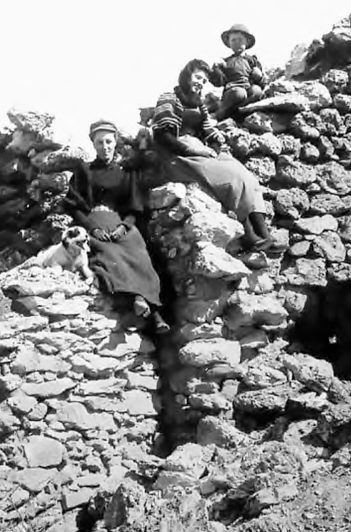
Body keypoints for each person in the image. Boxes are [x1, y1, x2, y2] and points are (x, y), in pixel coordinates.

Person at [150, 59, 282, 252]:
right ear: (186, 76)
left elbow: (208, 131)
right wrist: (194, 150)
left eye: (204, 81)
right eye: (197, 77)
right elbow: (163, 136)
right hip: (177, 155)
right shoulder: (170, 97)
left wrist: (213, 146)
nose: (200, 83)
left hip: (199, 149)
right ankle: (249, 236)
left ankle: (265, 235)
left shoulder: (199, 103)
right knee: (231, 178)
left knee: (247, 177)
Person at [67, 120, 170, 334]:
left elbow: (133, 209)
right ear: (93, 145)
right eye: (99, 143)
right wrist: (92, 229)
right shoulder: (85, 171)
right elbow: (74, 208)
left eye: (108, 142)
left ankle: (148, 304)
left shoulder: (125, 173)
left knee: (139, 253)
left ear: (115, 143)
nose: (104, 147)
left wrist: (124, 227)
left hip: (119, 224)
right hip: (94, 223)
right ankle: (145, 306)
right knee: (108, 254)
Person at [211, 24, 267, 121]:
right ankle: (223, 111)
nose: (237, 42)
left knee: (257, 91)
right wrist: (216, 68)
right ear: (229, 43)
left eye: (240, 40)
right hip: (233, 90)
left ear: (247, 42)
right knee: (239, 94)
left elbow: (262, 83)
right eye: (233, 40)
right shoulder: (226, 61)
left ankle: (243, 111)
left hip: (248, 88)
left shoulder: (252, 61)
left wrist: (259, 76)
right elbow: (218, 82)